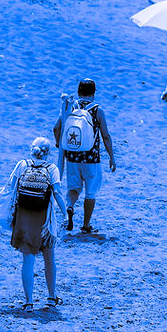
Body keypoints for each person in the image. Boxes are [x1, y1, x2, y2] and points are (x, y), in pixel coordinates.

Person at [7, 138, 67, 311]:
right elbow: (57, 193)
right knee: (49, 258)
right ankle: (50, 297)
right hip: (44, 220)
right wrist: (66, 213)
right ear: (48, 153)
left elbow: (11, 187)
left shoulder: (22, 165)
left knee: (28, 260)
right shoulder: (52, 169)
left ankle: (28, 302)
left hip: (24, 218)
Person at [53, 78, 116, 234]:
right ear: (93, 93)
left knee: (73, 188)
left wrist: (58, 144)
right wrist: (111, 157)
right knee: (90, 192)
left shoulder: (69, 107)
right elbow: (106, 136)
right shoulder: (97, 110)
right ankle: (86, 225)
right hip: (91, 159)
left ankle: (69, 208)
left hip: (72, 158)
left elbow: (56, 128)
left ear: (78, 92)